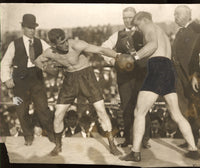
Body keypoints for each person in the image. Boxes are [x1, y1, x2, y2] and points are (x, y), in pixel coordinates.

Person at [117, 11, 200, 161]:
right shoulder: (162, 32)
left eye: (137, 25)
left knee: (139, 112)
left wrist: (132, 57)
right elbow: (158, 50)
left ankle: (135, 152)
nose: (137, 29)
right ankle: (193, 149)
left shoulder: (149, 27)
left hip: (157, 69)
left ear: (143, 20)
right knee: (176, 114)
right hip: (168, 70)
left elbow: (153, 46)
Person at [35, 28, 122, 156]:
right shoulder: (50, 52)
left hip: (87, 76)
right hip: (70, 79)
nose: (65, 45)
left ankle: (112, 144)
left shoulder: (77, 45)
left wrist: (117, 55)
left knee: (101, 110)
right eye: (61, 43)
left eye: (65, 40)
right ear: (54, 46)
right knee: (58, 113)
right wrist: (47, 68)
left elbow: (100, 49)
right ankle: (58, 145)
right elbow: (37, 60)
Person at [1, 14, 55, 146]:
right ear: (23, 28)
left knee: (43, 108)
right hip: (19, 82)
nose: (32, 30)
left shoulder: (40, 42)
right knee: (21, 109)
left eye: (34, 28)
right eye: (29, 28)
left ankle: (51, 134)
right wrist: (6, 79)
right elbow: (4, 63)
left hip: (37, 79)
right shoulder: (14, 44)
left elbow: (52, 53)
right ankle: (28, 136)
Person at [101, 7, 151, 148]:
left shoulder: (143, 33)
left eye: (130, 17)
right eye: (125, 18)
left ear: (136, 18)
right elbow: (103, 48)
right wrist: (112, 60)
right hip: (124, 77)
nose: (128, 20)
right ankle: (129, 139)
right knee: (127, 106)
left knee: (142, 106)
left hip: (141, 76)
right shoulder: (118, 34)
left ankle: (144, 139)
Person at [172, 5, 200, 148]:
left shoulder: (197, 28)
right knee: (185, 107)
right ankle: (190, 139)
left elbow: (197, 55)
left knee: (194, 106)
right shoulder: (180, 31)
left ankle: (195, 141)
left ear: (187, 15)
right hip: (180, 75)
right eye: (174, 14)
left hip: (191, 75)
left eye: (177, 14)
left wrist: (196, 74)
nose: (175, 17)